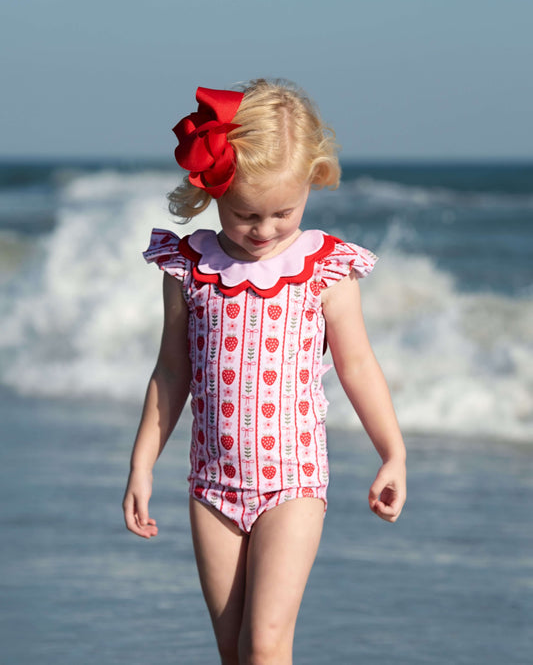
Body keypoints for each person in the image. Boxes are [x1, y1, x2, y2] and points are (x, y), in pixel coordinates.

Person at [123, 79, 406, 665]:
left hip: (292, 481)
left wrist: (393, 453)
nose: (265, 229)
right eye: (246, 214)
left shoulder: (324, 269)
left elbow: (357, 366)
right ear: (214, 193)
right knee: (232, 651)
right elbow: (171, 374)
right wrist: (142, 465)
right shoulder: (190, 268)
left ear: (312, 182)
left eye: (284, 211)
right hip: (211, 486)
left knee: (266, 644)